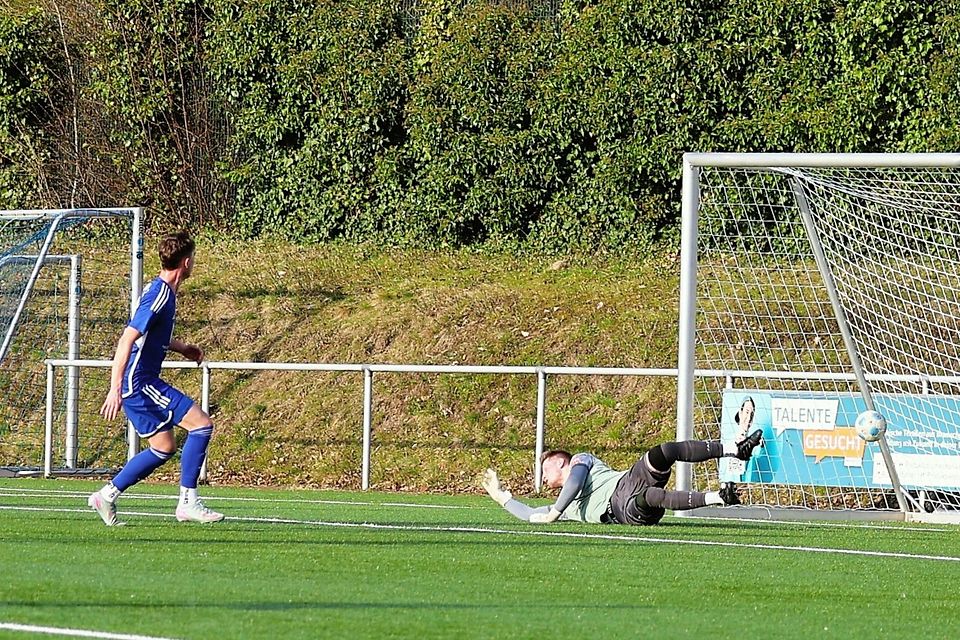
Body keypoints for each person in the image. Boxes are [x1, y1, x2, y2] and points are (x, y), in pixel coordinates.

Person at [88, 230, 223, 526]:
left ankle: (106, 495)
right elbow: (127, 339)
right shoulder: (160, 294)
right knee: (202, 425)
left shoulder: (161, 290)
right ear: (186, 262)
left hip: (140, 381)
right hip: (140, 382)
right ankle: (188, 503)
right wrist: (115, 389)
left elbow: (149, 336)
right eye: (194, 258)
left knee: (164, 447)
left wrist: (182, 348)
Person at [481, 429, 763, 526]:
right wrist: (502, 498)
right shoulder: (565, 508)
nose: (543, 479)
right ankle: (719, 497)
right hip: (620, 509)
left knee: (664, 451)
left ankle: (735, 449)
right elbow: (530, 514)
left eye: (545, 470)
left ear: (560, 461)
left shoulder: (581, 460)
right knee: (649, 497)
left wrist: (554, 513)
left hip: (627, 479)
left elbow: (575, 481)